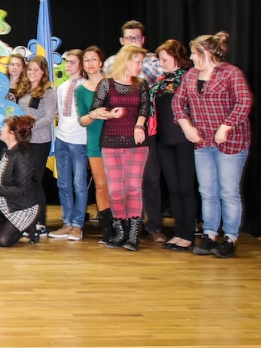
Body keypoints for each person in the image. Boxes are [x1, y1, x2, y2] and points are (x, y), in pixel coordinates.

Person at [173, 32, 252, 258]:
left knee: (228, 192)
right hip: (203, 142)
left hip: (231, 143)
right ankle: (209, 234)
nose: (191, 57)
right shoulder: (190, 75)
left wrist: (225, 126)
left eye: (194, 53)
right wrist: (186, 126)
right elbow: (178, 101)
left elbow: (244, 102)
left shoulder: (230, 73)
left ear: (206, 53)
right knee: (207, 191)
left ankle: (230, 237)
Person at [102, 20, 164, 242]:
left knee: (150, 178)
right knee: (119, 184)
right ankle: (125, 226)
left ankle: (154, 226)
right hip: (117, 130)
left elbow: (157, 89)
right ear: (121, 40)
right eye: (129, 38)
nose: (133, 41)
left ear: (143, 40)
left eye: (136, 37)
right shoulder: (111, 63)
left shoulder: (153, 63)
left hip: (145, 128)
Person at [90, 44, 150, 251]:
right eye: (138, 62)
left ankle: (133, 234)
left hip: (136, 143)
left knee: (133, 187)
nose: (140, 66)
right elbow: (95, 110)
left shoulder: (141, 84)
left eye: (141, 62)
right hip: (111, 142)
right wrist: (109, 114)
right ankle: (120, 231)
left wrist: (139, 125)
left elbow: (144, 107)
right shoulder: (106, 84)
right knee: (115, 191)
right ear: (126, 61)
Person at [150, 40, 196, 251]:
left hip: (184, 139)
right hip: (164, 140)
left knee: (186, 188)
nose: (161, 63)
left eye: (165, 59)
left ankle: (188, 234)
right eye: (160, 60)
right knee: (173, 188)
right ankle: (178, 232)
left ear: (176, 58)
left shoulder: (189, 78)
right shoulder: (160, 81)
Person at [0, 116, 41, 247]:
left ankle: (28, 225)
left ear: (12, 132)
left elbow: (23, 189)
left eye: (3, 127)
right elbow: (0, 174)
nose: (0, 129)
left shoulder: (23, 157)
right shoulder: (8, 151)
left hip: (22, 207)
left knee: (3, 241)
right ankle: (17, 226)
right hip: (8, 203)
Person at [75, 46, 113, 244]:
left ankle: (122, 226)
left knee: (118, 186)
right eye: (86, 60)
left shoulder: (113, 83)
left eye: (93, 59)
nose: (90, 63)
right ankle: (107, 228)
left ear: (101, 62)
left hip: (116, 140)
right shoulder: (81, 90)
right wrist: (93, 114)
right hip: (94, 141)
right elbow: (82, 120)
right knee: (101, 185)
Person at [16, 55, 57, 236]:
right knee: (24, 182)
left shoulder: (48, 92)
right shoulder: (23, 90)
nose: (32, 72)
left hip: (39, 141)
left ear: (43, 72)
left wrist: (28, 128)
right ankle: (27, 221)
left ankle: (40, 222)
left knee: (35, 181)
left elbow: (49, 117)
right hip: (23, 142)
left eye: (36, 69)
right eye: (30, 69)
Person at [49, 50, 88, 242]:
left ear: (81, 65)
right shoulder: (62, 87)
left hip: (79, 140)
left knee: (79, 184)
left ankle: (77, 225)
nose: (68, 65)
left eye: (73, 62)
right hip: (62, 138)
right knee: (63, 183)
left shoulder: (86, 86)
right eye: (67, 62)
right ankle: (67, 222)